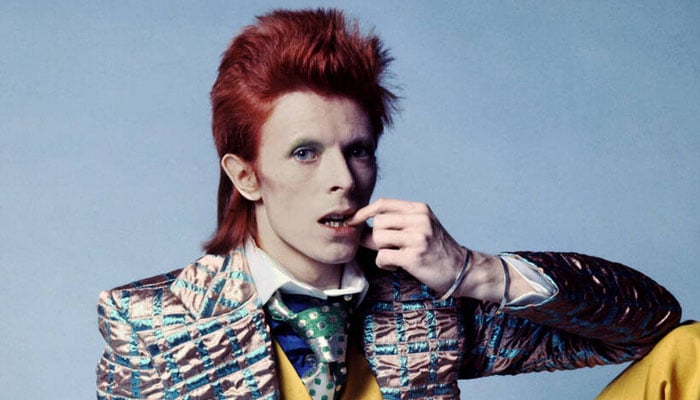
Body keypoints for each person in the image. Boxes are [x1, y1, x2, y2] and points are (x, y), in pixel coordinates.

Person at [96, 8, 697, 400]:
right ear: (247, 176)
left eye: (357, 151)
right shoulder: (155, 325)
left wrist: (477, 272)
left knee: (690, 353)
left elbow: (647, 327)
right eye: (305, 153)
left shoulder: (421, 302)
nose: (343, 179)